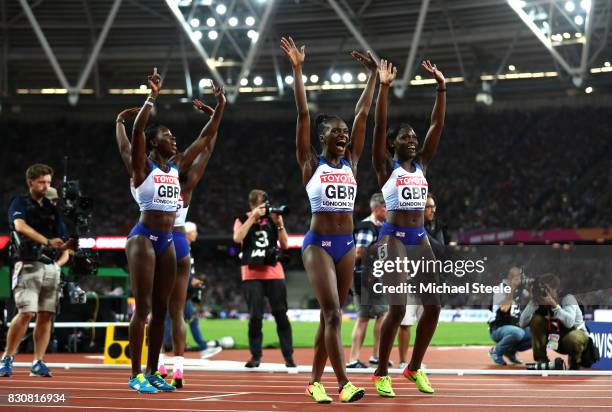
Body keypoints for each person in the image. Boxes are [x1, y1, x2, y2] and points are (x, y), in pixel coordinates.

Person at [281, 36, 377, 403]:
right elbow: (304, 114)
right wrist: (298, 70)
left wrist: (371, 76)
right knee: (334, 313)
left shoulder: (352, 162)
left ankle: (314, 381)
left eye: (345, 132)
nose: (343, 135)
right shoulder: (310, 164)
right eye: (336, 131)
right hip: (318, 245)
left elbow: (364, 115)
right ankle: (343, 383)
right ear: (322, 137)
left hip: (347, 245)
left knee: (329, 318)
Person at [125, 68, 221, 393]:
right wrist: (151, 97)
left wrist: (220, 107)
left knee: (164, 309)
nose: (174, 140)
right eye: (168, 136)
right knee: (144, 308)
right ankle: (136, 373)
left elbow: (205, 139)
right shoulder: (143, 167)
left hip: (168, 239)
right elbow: (137, 131)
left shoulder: (176, 166)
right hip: (143, 239)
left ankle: (154, 371)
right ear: (154, 143)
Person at [370, 59, 446, 397]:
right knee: (398, 307)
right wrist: (383, 88)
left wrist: (441, 88)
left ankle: (413, 367)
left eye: (414, 137)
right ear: (392, 144)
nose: (413, 141)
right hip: (393, 238)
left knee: (434, 305)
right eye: (405, 138)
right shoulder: (385, 166)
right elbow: (379, 124)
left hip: (419, 238)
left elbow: (436, 125)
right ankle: (381, 371)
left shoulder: (422, 165)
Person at [0, 164, 71, 378]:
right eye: (41, 182)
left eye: (48, 182)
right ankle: (6, 358)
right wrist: (48, 241)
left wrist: (67, 251)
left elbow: (63, 242)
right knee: (26, 313)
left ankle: (38, 361)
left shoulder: (52, 209)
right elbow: (20, 227)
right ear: (30, 182)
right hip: (28, 264)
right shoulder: (19, 203)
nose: (45, 186)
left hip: (51, 267)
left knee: (46, 315)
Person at [233, 190, 294, 368]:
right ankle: (255, 356)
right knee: (255, 317)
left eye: (266, 204)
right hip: (251, 274)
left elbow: (285, 244)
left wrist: (280, 224)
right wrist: (253, 217)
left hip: (274, 272)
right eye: (262, 204)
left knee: (281, 315)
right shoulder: (242, 218)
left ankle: (289, 357)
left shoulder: (273, 218)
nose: (265, 207)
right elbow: (237, 238)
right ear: (253, 204)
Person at [159, 221, 223, 387]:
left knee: (175, 318)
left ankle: (163, 360)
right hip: (176, 290)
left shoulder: (173, 243)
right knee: (170, 319)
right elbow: (178, 270)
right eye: (194, 232)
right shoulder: (181, 246)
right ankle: (172, 360)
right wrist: (189, 281)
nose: (196, 235)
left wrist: (191, 281)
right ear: (187, 233)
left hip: (174, 289)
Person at [397, 194, 441, 368]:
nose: (432, 210)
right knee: (405, 323)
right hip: (408, 281)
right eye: (429, 207)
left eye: (434, 207)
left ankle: (415, 363)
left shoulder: (435, 228)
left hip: (425, 281)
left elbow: (441, 251)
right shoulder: (410, 228)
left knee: (426, 320)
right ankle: (402, 361)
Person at [347, 193, 388, 369]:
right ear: (377, 208)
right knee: (381, 314)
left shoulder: (377, 226)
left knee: (365, 316)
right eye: (386, 207)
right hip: (367, 275)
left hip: (365, 275)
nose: (389, 211)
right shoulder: (367, 227)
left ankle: (359, 358)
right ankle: (372, 356)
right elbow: (359, 252)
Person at [519, 274, 589, 370]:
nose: (543, 292)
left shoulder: (568, 298)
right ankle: (541, 360)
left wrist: (554, 305)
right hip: (556, 341)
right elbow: (522, 323)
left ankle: (575, 361)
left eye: (546, 289)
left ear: (556, 289)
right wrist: (533, 301)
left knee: (574, 337)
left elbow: (570, 323)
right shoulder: (540, 301)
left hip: (576, 339)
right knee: (536, 320)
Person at [487, 267, 532, 366]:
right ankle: (496, 351)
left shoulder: (520, 291)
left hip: (513, 326)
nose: (522, 279)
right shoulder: (501, 288)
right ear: (512, 278)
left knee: (536, 334)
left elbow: (530, 301)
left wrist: (531, 290)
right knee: (518, 332)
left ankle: (510, 351)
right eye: (520, 277)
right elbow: (504, 308)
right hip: (498, 327)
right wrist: (512, 288)